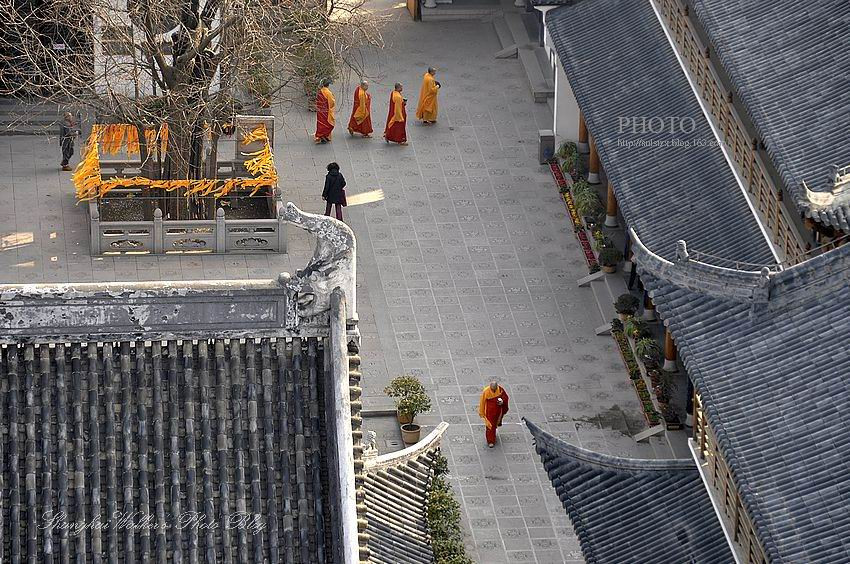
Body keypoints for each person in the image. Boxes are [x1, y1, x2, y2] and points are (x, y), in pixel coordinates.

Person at [478, 381, 509, 448]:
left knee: (495, 424)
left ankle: (493, 435)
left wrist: (502, 402)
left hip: (498, 410)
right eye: (492, 389)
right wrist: (481, 412)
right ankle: (490, 441)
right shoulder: (486, 391)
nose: (494, 390)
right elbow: (482, 402)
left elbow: (505, 397)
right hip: (489, 412)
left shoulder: (500, 390)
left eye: (494, 389)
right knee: (490, 426)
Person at [315, 79, 336, 144]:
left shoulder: (320, 91)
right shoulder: (328, 93)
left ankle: (320, 135)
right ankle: (324, 135)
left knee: (321, 123)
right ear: (328, 85)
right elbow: (332, 102)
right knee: (328, 124)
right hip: (326, 111)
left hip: (320, 110)